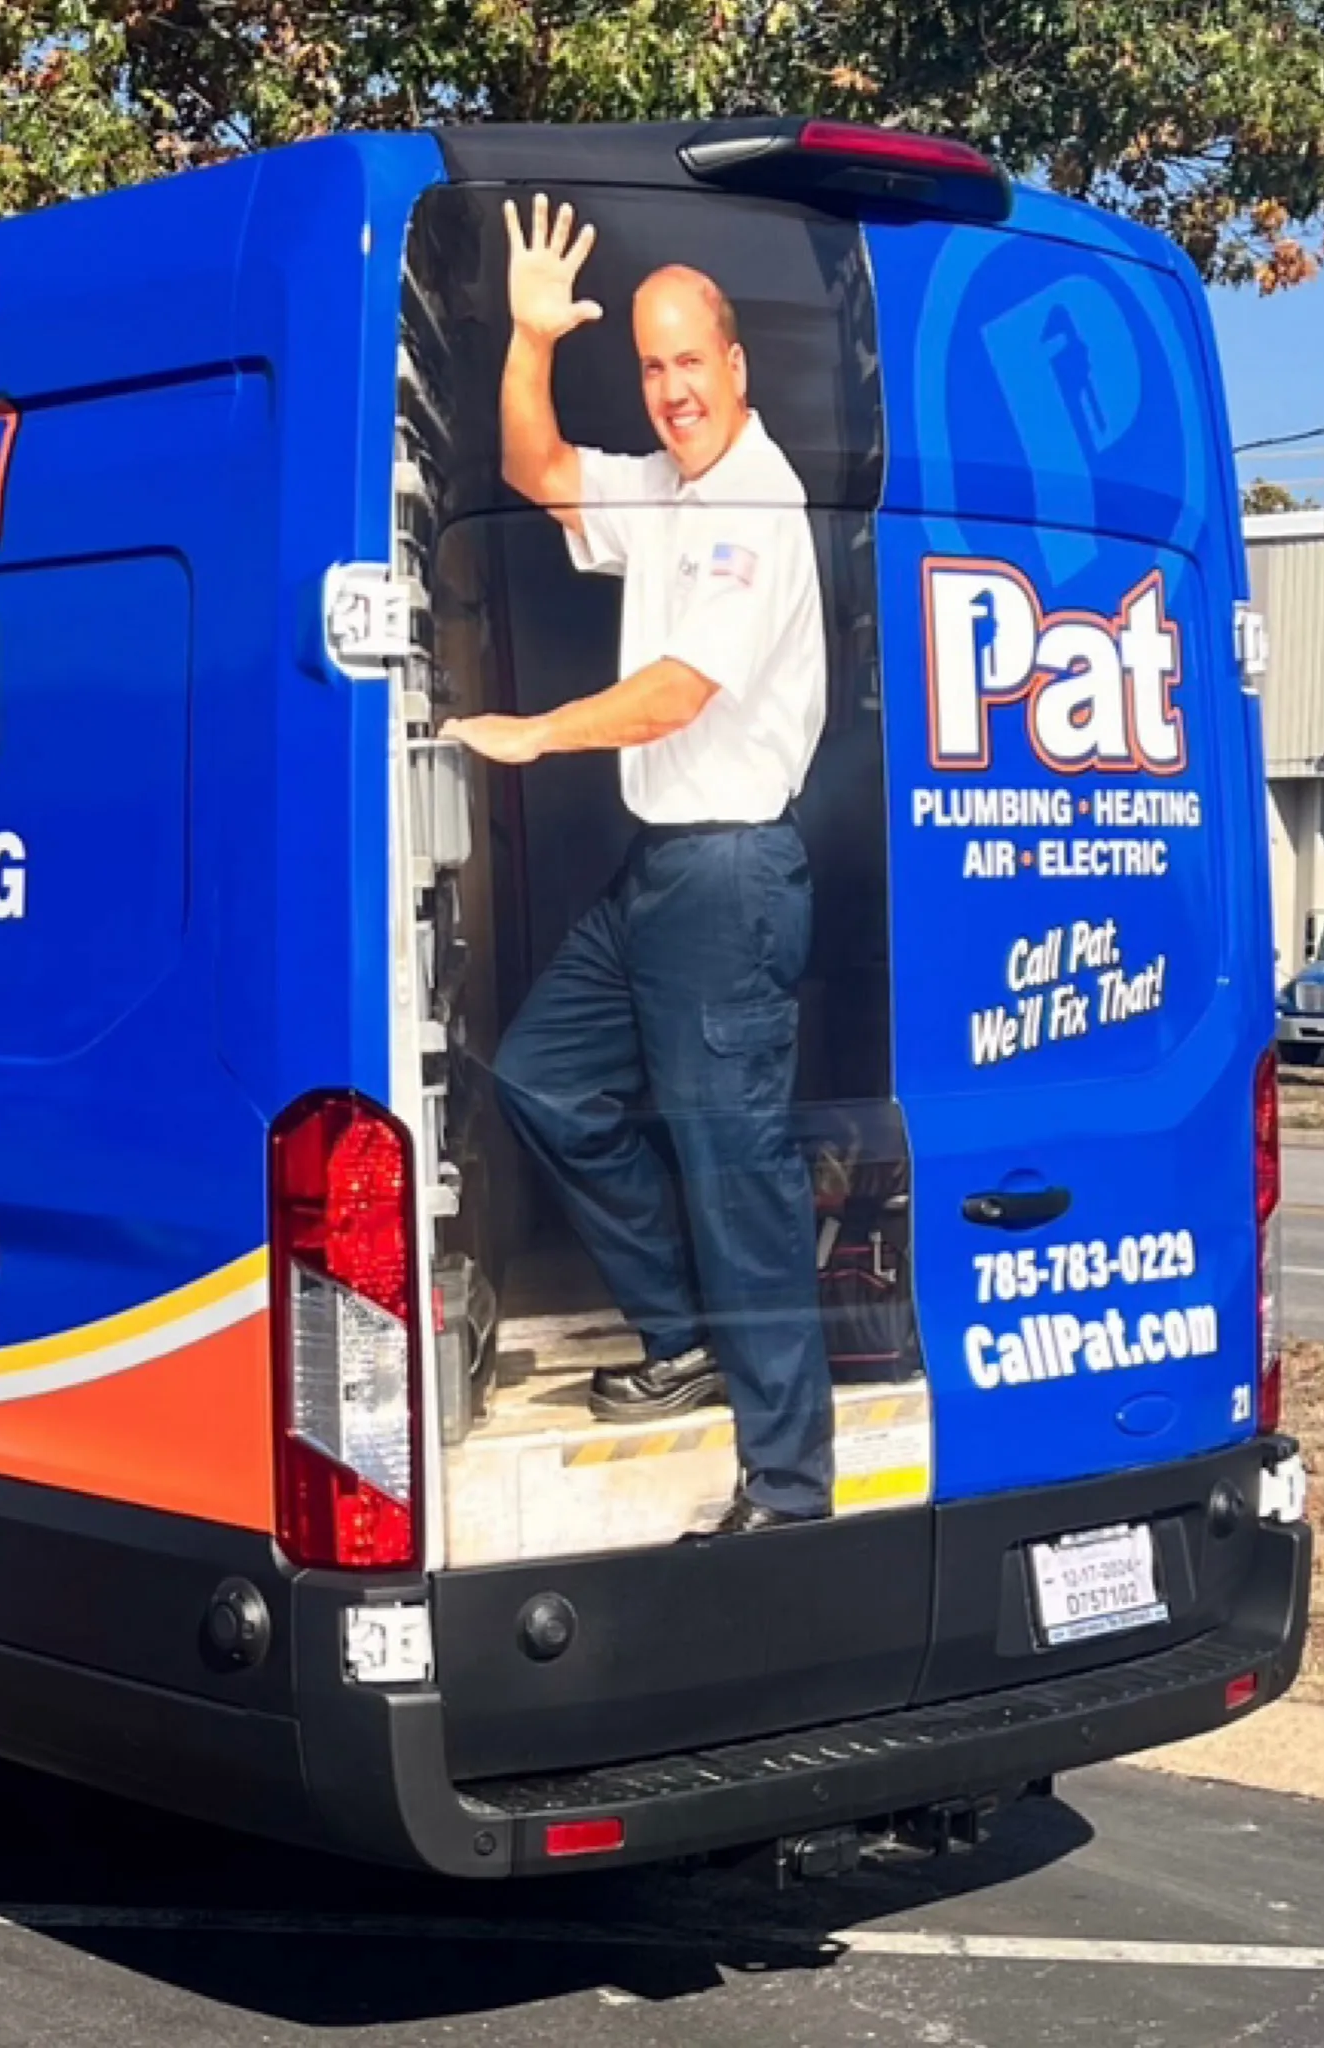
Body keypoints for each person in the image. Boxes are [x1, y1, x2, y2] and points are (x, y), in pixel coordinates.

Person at [444, 195, 834, 1533]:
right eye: (654, 366)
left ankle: (790, 1488)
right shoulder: (668, 489)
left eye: (691, 363)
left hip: (729, 875)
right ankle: (683, 1334)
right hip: (660, 869)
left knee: (739, 1174)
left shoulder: (754, 504)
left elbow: (678, 692)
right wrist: (533, 336)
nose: (673, 390)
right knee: (543, 1078)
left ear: (737, 366)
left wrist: (535, 732)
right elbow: (538, 468)